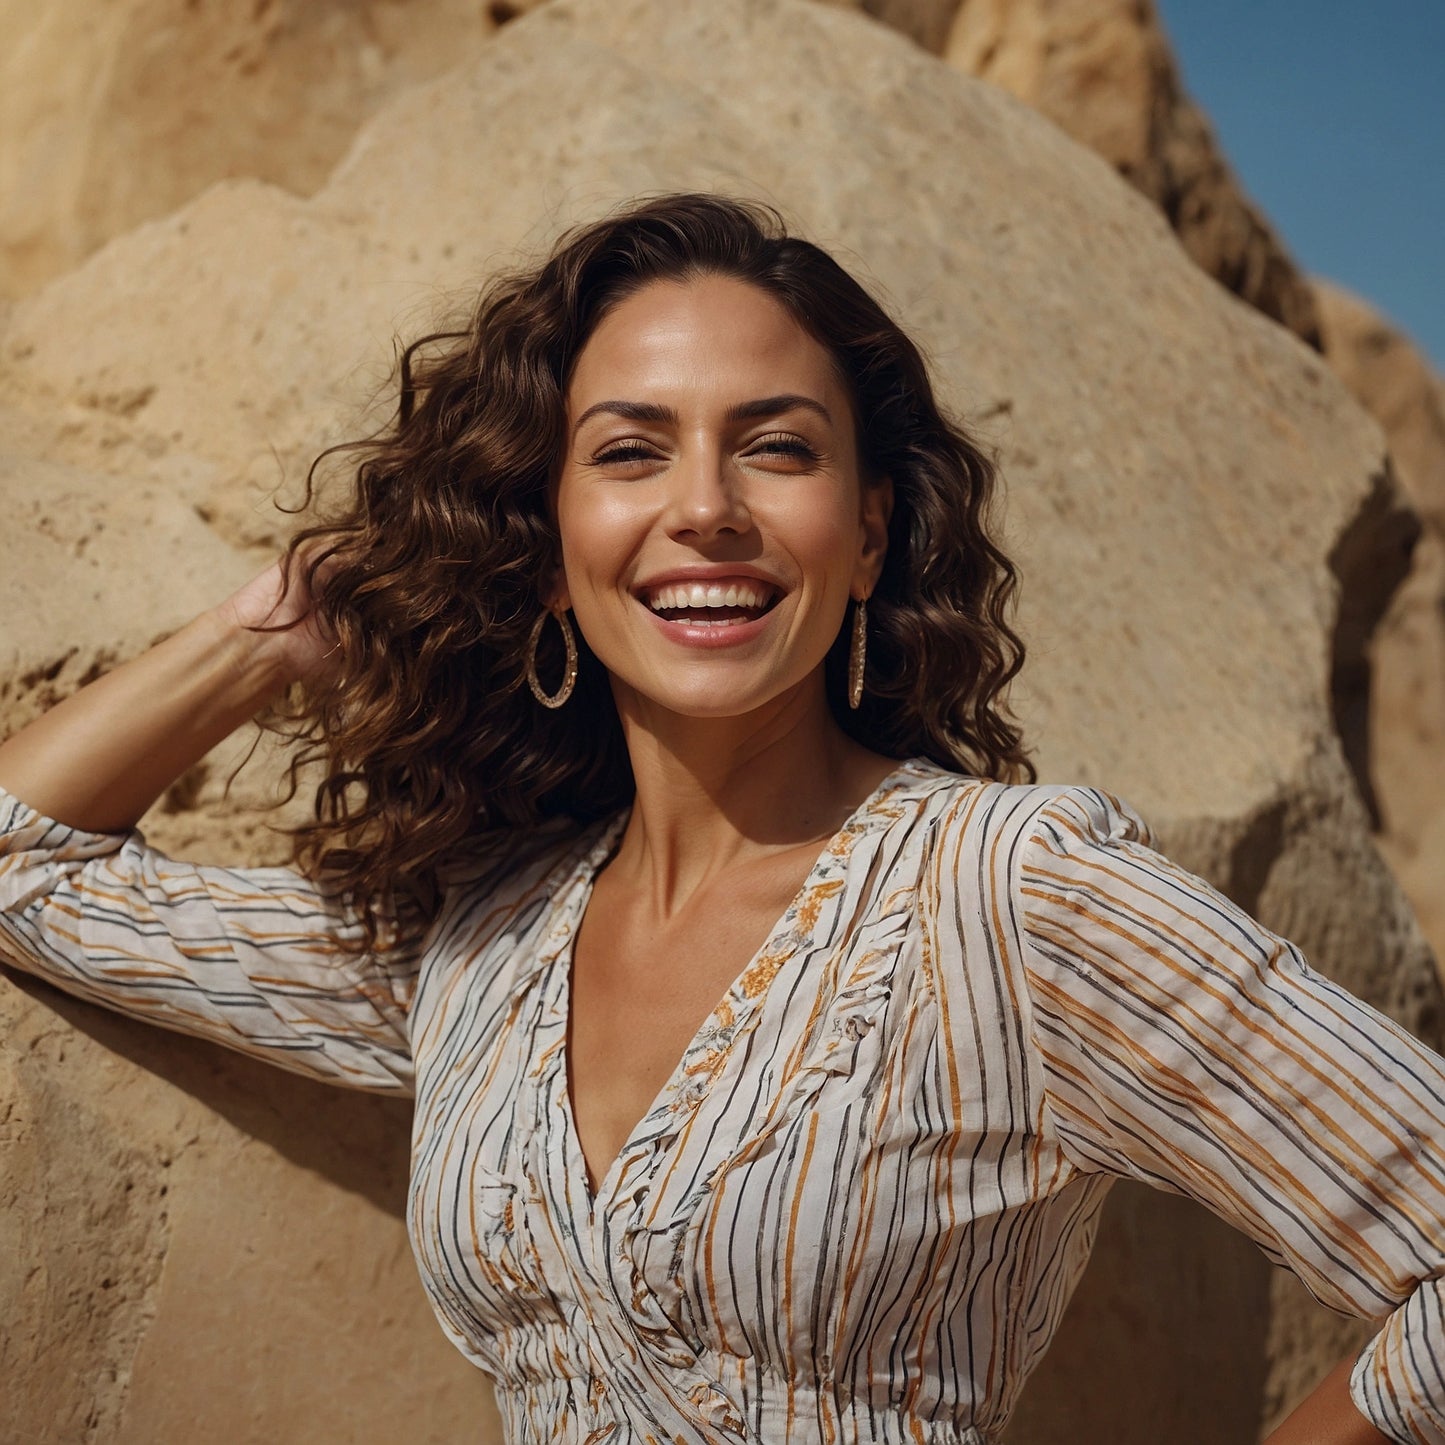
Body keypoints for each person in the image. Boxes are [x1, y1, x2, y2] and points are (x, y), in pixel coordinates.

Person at [0, 193, 1441, 1445]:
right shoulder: (480, 939)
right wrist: (273, 632)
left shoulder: (1008, 897)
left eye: (775, 449)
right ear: (549, 547)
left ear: (868, 530)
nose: (704, 508)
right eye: (628, 454)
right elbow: (24, 866)